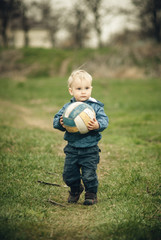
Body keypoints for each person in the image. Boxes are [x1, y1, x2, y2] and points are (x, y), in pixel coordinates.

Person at [53, 70, 109, 205]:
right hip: (72, 148)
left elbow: (104, 120)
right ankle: (75, 189)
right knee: (68, 174)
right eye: (79, 89)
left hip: (90, 149)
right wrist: (60, 123)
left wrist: (97, 125)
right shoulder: (68, 108)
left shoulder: (95, 107)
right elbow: (55, 121)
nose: (83, 92)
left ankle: (91, 194)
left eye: (87, 88)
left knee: (89, 175)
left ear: (91, 88)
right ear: (71, 91)